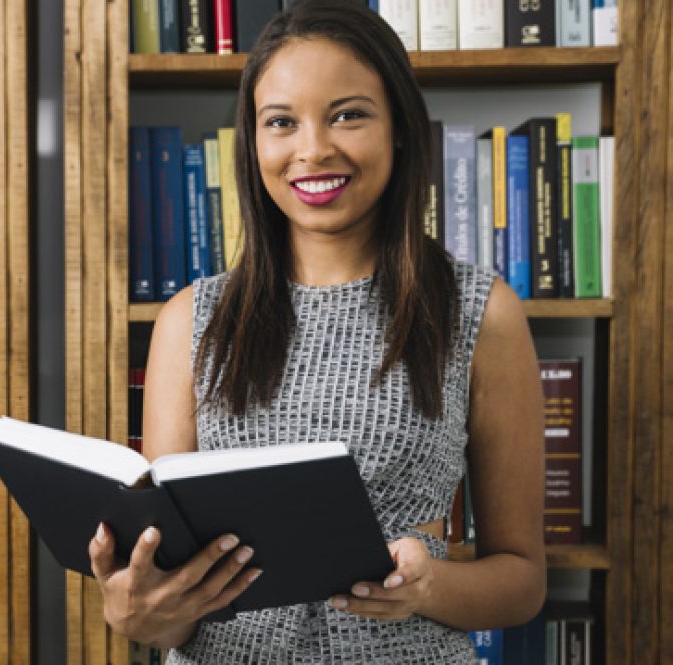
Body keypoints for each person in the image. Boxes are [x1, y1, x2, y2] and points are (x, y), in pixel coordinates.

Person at [86, 1, 546, 661]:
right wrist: (141, 612)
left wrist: (427, 586)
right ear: (253, 142)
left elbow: (522, 580)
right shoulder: (191, 320)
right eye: (281, 122)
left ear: (401, 130)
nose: (313, 150)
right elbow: (176, 611)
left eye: (349, 114)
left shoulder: (479, 311)